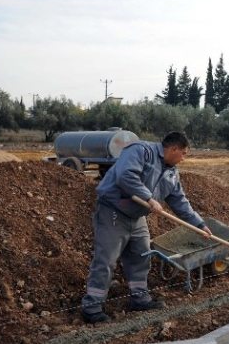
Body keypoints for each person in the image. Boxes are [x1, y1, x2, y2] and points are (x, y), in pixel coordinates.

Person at [81, 131, 212, 324]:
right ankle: (91, 308)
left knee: (141, 256)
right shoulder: (141, 151)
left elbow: (180, 202)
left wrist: (199, 224)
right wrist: (149, 198)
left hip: (137, 216)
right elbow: (125, 175)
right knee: (106, 260)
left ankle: (139, 299)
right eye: (183, 153)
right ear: (174, 149)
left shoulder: (171, 173)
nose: (184, 158)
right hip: (113, 211)